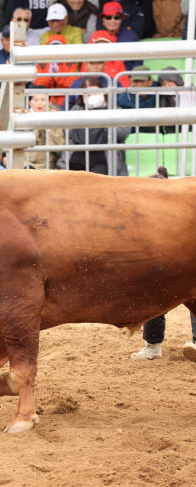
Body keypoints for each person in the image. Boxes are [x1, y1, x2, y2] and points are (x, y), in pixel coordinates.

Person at [130, 168, 196, 362]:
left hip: (174, 265)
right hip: (168, 266)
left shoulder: (178, 210)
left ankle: (152, 345)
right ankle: (152, 345)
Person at [65, 77, 130, 175]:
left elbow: (123, 132)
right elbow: (69, 133)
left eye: (95, 93)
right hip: (78, 157)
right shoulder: (76, 110)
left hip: (105, 158)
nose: (92, 97)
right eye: (88, 94)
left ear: (103, 92)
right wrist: (103, 128)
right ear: (83, 96)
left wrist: (96, 121)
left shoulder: (114, 109)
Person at [32, 35, 80, 107]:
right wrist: (51, 76)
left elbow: (73, 83)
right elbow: (38, 84)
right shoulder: (42, 63)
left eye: (58, 48)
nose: (55, 51)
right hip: (45, 103)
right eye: (53, 48)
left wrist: (57, 76)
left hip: (66, 102)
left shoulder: (70, 63)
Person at [27, 93, 64, 169]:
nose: (39, 103)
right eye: (36, 100)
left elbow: (60, 146)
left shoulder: (55, 117)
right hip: (25, 162)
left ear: (49, 102)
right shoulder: (21, 117)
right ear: (29, 102)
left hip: (47, 164)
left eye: (43, 100)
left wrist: (50, 129)